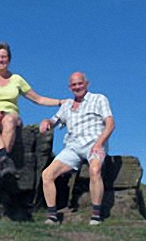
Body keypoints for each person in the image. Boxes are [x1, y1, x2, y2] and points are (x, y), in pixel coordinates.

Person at [0, 42, 64, 177]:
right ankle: (4, 159)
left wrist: (59, 102)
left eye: (4, 57)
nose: (1, 60)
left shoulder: (16, 79)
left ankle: (2, 160)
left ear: (9, 59)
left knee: (9, 120)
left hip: (10, 114)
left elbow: (37, 98)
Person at [39, 72, 115, 225]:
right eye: (74, 85)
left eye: (80, 83)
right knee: (47, 174)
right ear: (69, 87)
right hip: (73, 147)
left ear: (87, 84)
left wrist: (99, 143)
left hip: (94, 143)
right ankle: (52, 215)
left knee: (94, 170)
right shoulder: (67, 105)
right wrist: (46, 121)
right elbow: (54, 120)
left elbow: (110, 124)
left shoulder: (99, 99)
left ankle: (95, 215)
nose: (77, 87)